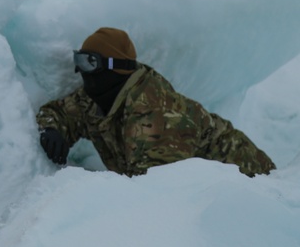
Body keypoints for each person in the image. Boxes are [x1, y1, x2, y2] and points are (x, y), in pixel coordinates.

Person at [36, 26, 276, 177]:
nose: (82, 71)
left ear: (115, 68)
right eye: (79, 61)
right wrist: (53, 128)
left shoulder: (154, 117)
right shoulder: (99, 97)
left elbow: (160, 197)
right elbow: (62, 113)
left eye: (90, 62)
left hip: (249, 182)